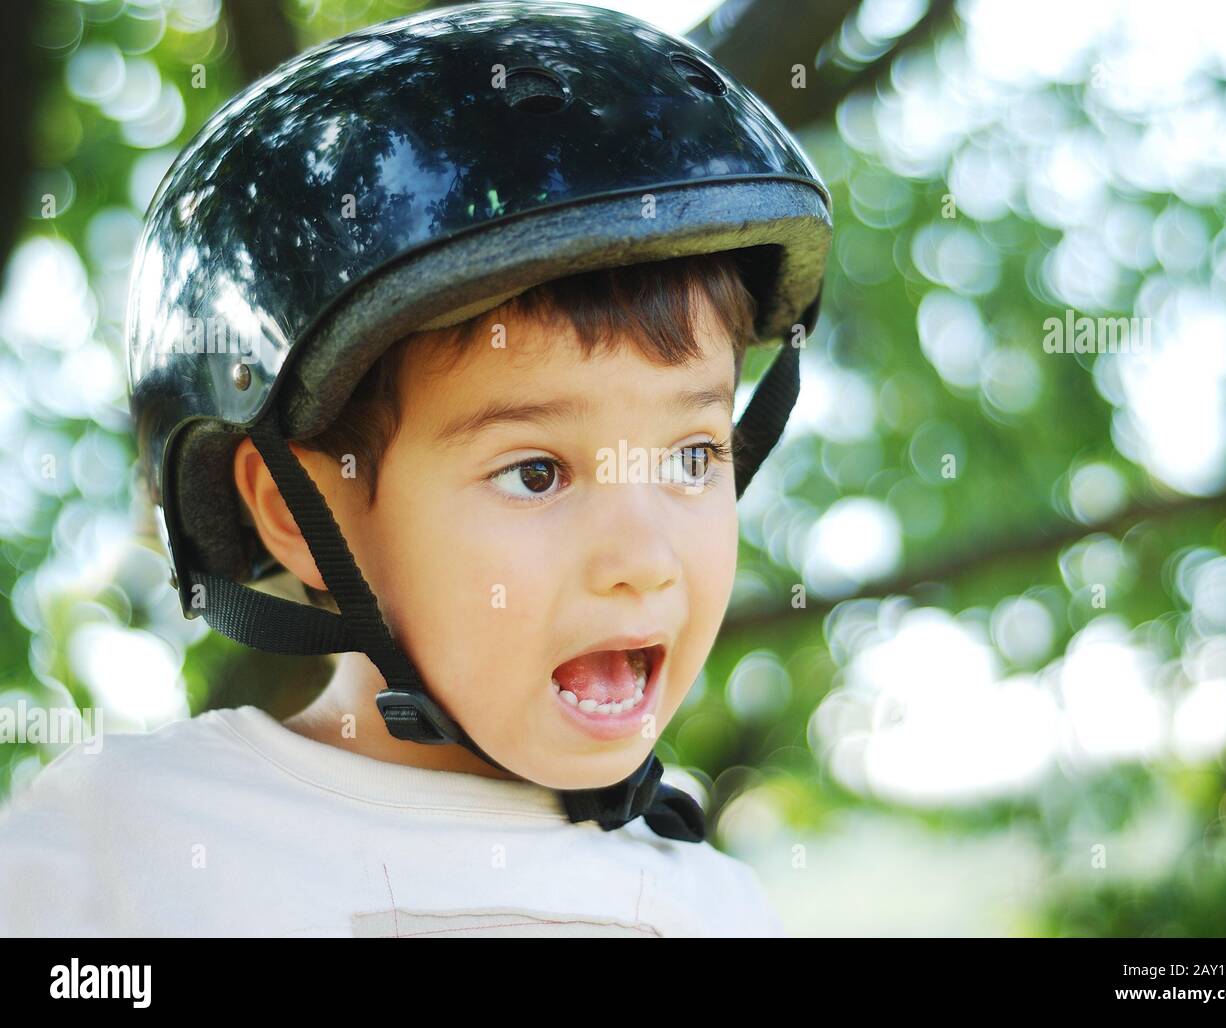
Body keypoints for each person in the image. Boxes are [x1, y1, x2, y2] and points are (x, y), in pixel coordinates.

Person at [0, 2, 832, 937]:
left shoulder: (716, 908)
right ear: (296, 510)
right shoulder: (114, 853)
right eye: (536, 473)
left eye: (690, 455)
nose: (643, 557)